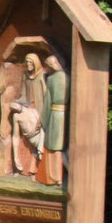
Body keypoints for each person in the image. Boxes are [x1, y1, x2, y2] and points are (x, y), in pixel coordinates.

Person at [37, 54, 68, 186]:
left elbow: (48, 101)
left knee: (53, 146)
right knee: (59, 146)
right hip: (65, 115)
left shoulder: (51, 79)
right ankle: (59, 176)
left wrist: (42, 120)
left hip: (55, 115)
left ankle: (54, 176)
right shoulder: (68, 76)